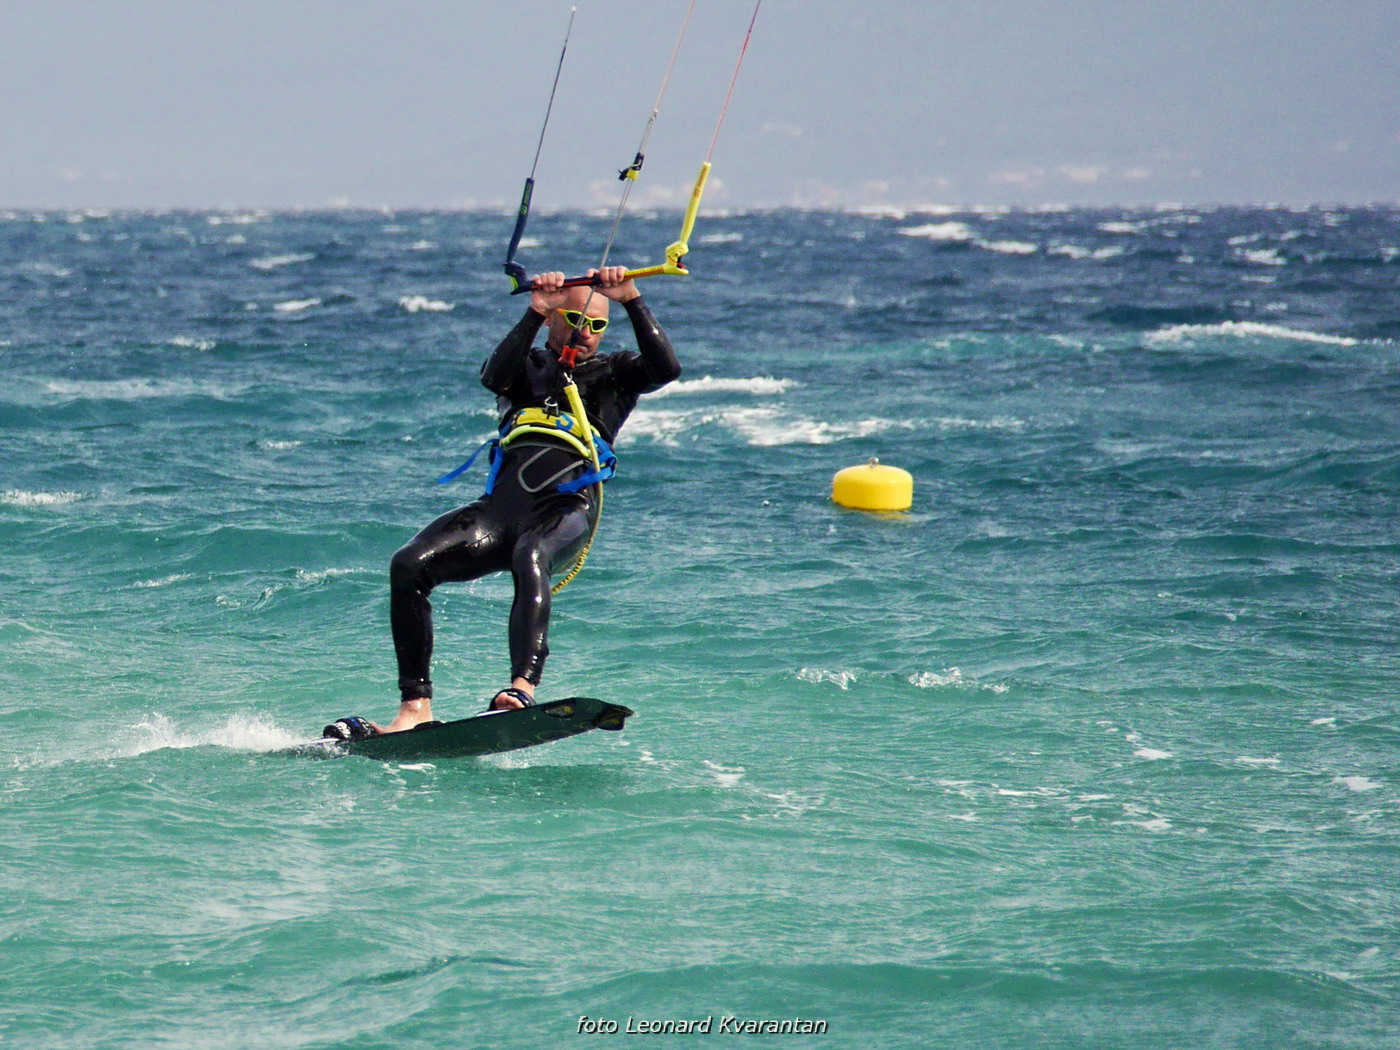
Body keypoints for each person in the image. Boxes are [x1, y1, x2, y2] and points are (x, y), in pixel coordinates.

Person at [340, 265, 680, 738]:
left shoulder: (616, 373)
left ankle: (521, 688)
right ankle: (415, 708)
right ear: (554, 320)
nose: (585, 333)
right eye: (575, 320)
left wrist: (631, 298)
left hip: (565, 509)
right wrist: (534, 311)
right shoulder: (527, 368)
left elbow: (667, 369)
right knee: (408, 565)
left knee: (531, 553)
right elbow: (492, 375)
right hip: (499, 511)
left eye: (597, 325)